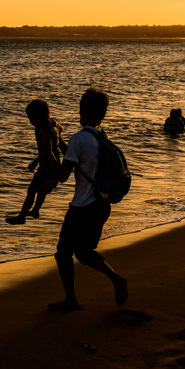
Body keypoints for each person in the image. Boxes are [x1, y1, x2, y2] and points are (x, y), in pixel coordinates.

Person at [48, 88, 128, 312]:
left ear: (82, 110)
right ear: (102, 114)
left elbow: (62, 175)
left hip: (82, 206)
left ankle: (71, 300)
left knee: (64, 252)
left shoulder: (79, 138)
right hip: (101, 205)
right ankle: (115, 280)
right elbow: (79, 158)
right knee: (83, 251)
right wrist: (61, 143)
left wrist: (48, 154)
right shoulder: (99, 137)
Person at [6, 99, 67, 225]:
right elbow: (60, 131)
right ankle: (35, 210)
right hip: (55, 165)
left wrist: (34, 162)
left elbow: (47, 150)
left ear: (38, 118)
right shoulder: (53, 124)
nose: (30, 122)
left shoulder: (43, 129)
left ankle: (22, 216)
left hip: (46, 166)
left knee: (32, 190)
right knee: (42, 190)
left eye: (31, 119)